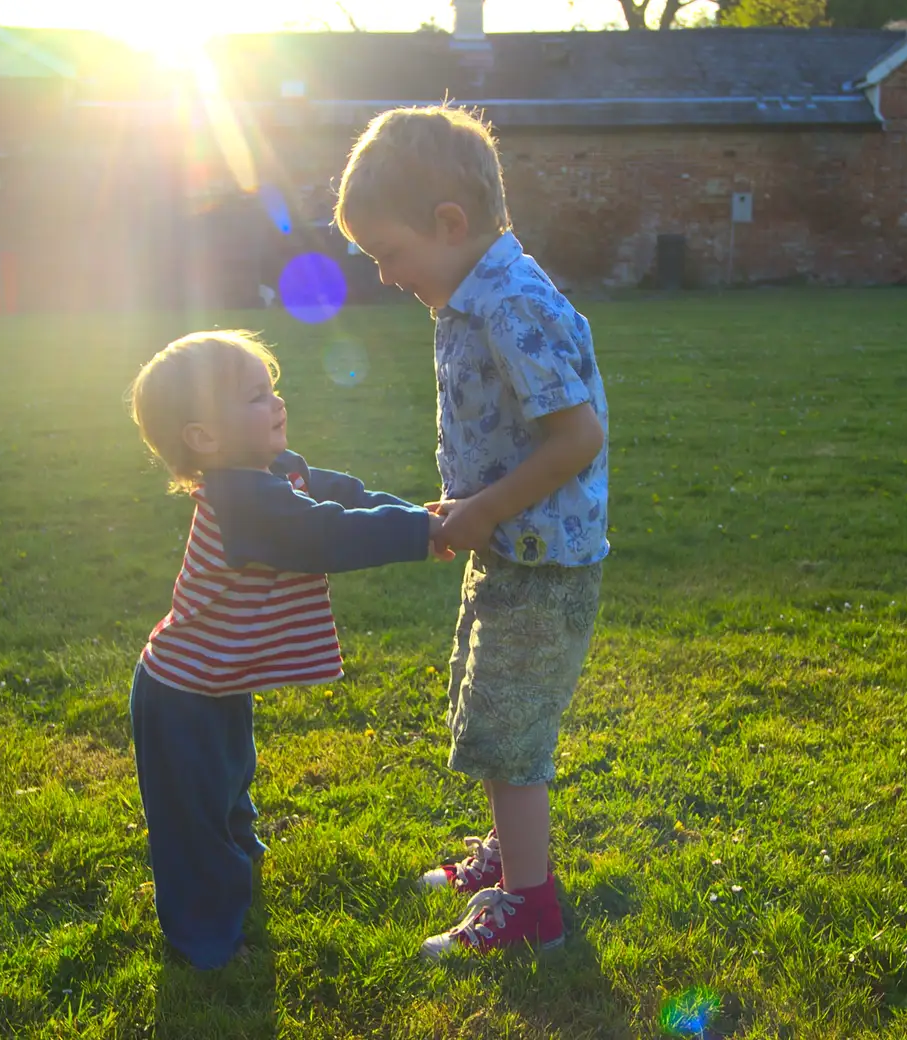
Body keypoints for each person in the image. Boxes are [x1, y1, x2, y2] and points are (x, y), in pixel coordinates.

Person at [334, 105, 610, 958]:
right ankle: (509, 853)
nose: (384, 275)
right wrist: (472, 503)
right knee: (486, 710)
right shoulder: (472, 298)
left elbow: (577, 436)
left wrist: (484, 509)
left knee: (511, 728)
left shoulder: (511, 309)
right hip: (507, 548)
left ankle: (531, 906)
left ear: (449, 224)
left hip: (541, 561)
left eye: (390, 253)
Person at [125, 329, 443, 969]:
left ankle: (239, 862)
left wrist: (423, 517)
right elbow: (322, 533)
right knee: (193, 819)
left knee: (230, 781)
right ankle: (204, 942)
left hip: (216, 681)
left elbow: (342, 496)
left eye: (271, 389)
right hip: (181, 693)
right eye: (252, 397)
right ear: (204, 439)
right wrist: (420, 533)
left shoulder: (272, 472)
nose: (275, 404)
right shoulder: (240, 500)